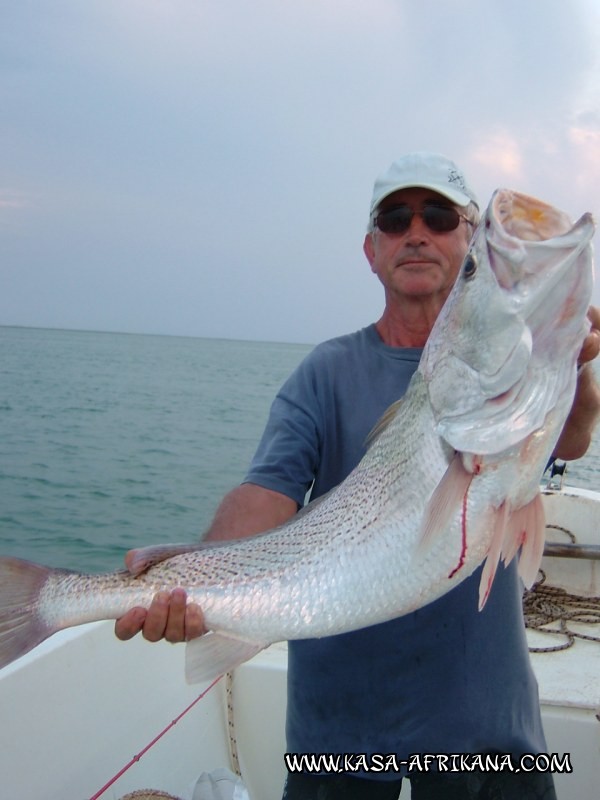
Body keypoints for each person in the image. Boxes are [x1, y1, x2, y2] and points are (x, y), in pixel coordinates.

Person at [116, 152, 600, 800]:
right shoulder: (325, 372)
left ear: (466, 238)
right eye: (396, 219)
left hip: (487, 727)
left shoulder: (514, 375)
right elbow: (267, 491)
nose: (417, 233)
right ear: (371, 251)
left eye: (440, 217)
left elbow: (568, 433)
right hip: (339, 736)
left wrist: (572, 369)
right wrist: (195, 577)